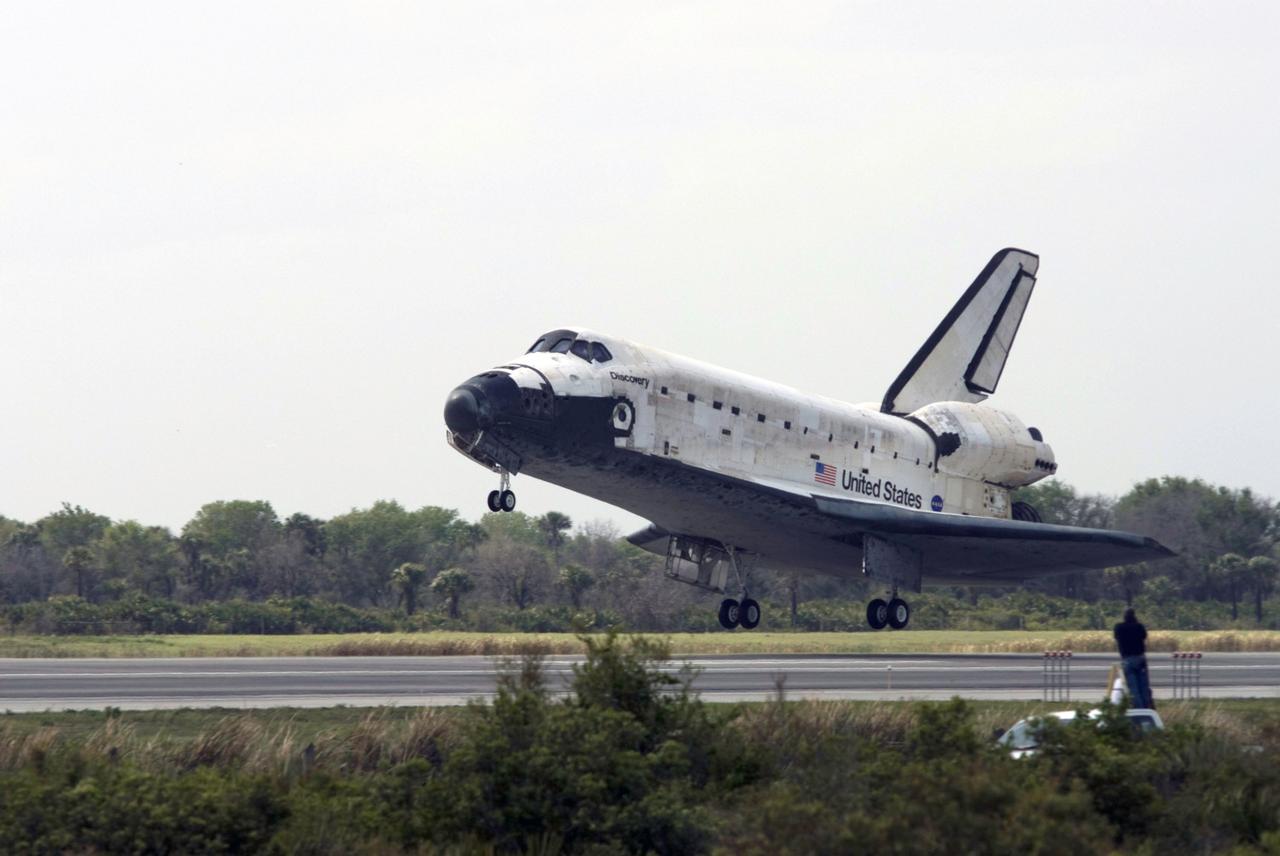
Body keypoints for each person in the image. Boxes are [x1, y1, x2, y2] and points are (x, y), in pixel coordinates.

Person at [1114, 607, 1154, 708]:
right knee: (1144, 689)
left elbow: (1116, 636)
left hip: (1127, 659)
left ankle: (1140, 711)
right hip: (1140, 659)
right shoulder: (1139, 626)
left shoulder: (1119, 627)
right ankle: (1147, 709)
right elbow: (1144, 636)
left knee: (1134, 690)